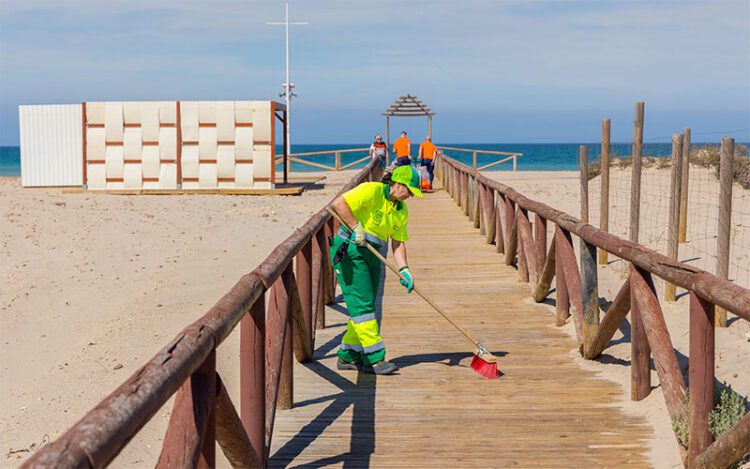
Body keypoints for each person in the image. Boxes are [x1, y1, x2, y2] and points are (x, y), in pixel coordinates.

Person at [329, 165, 423, 375]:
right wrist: (355, 227)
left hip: (373, 256)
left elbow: (398, 242)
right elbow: (338, 204)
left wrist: (405, 270)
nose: (409, 197)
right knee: (362, 306)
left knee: (365, 306)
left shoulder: (400, 210)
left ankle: (347, 355)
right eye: (408, 191)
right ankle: (374, 359)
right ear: (397, 184)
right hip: (351, 252)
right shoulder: (372, 190)